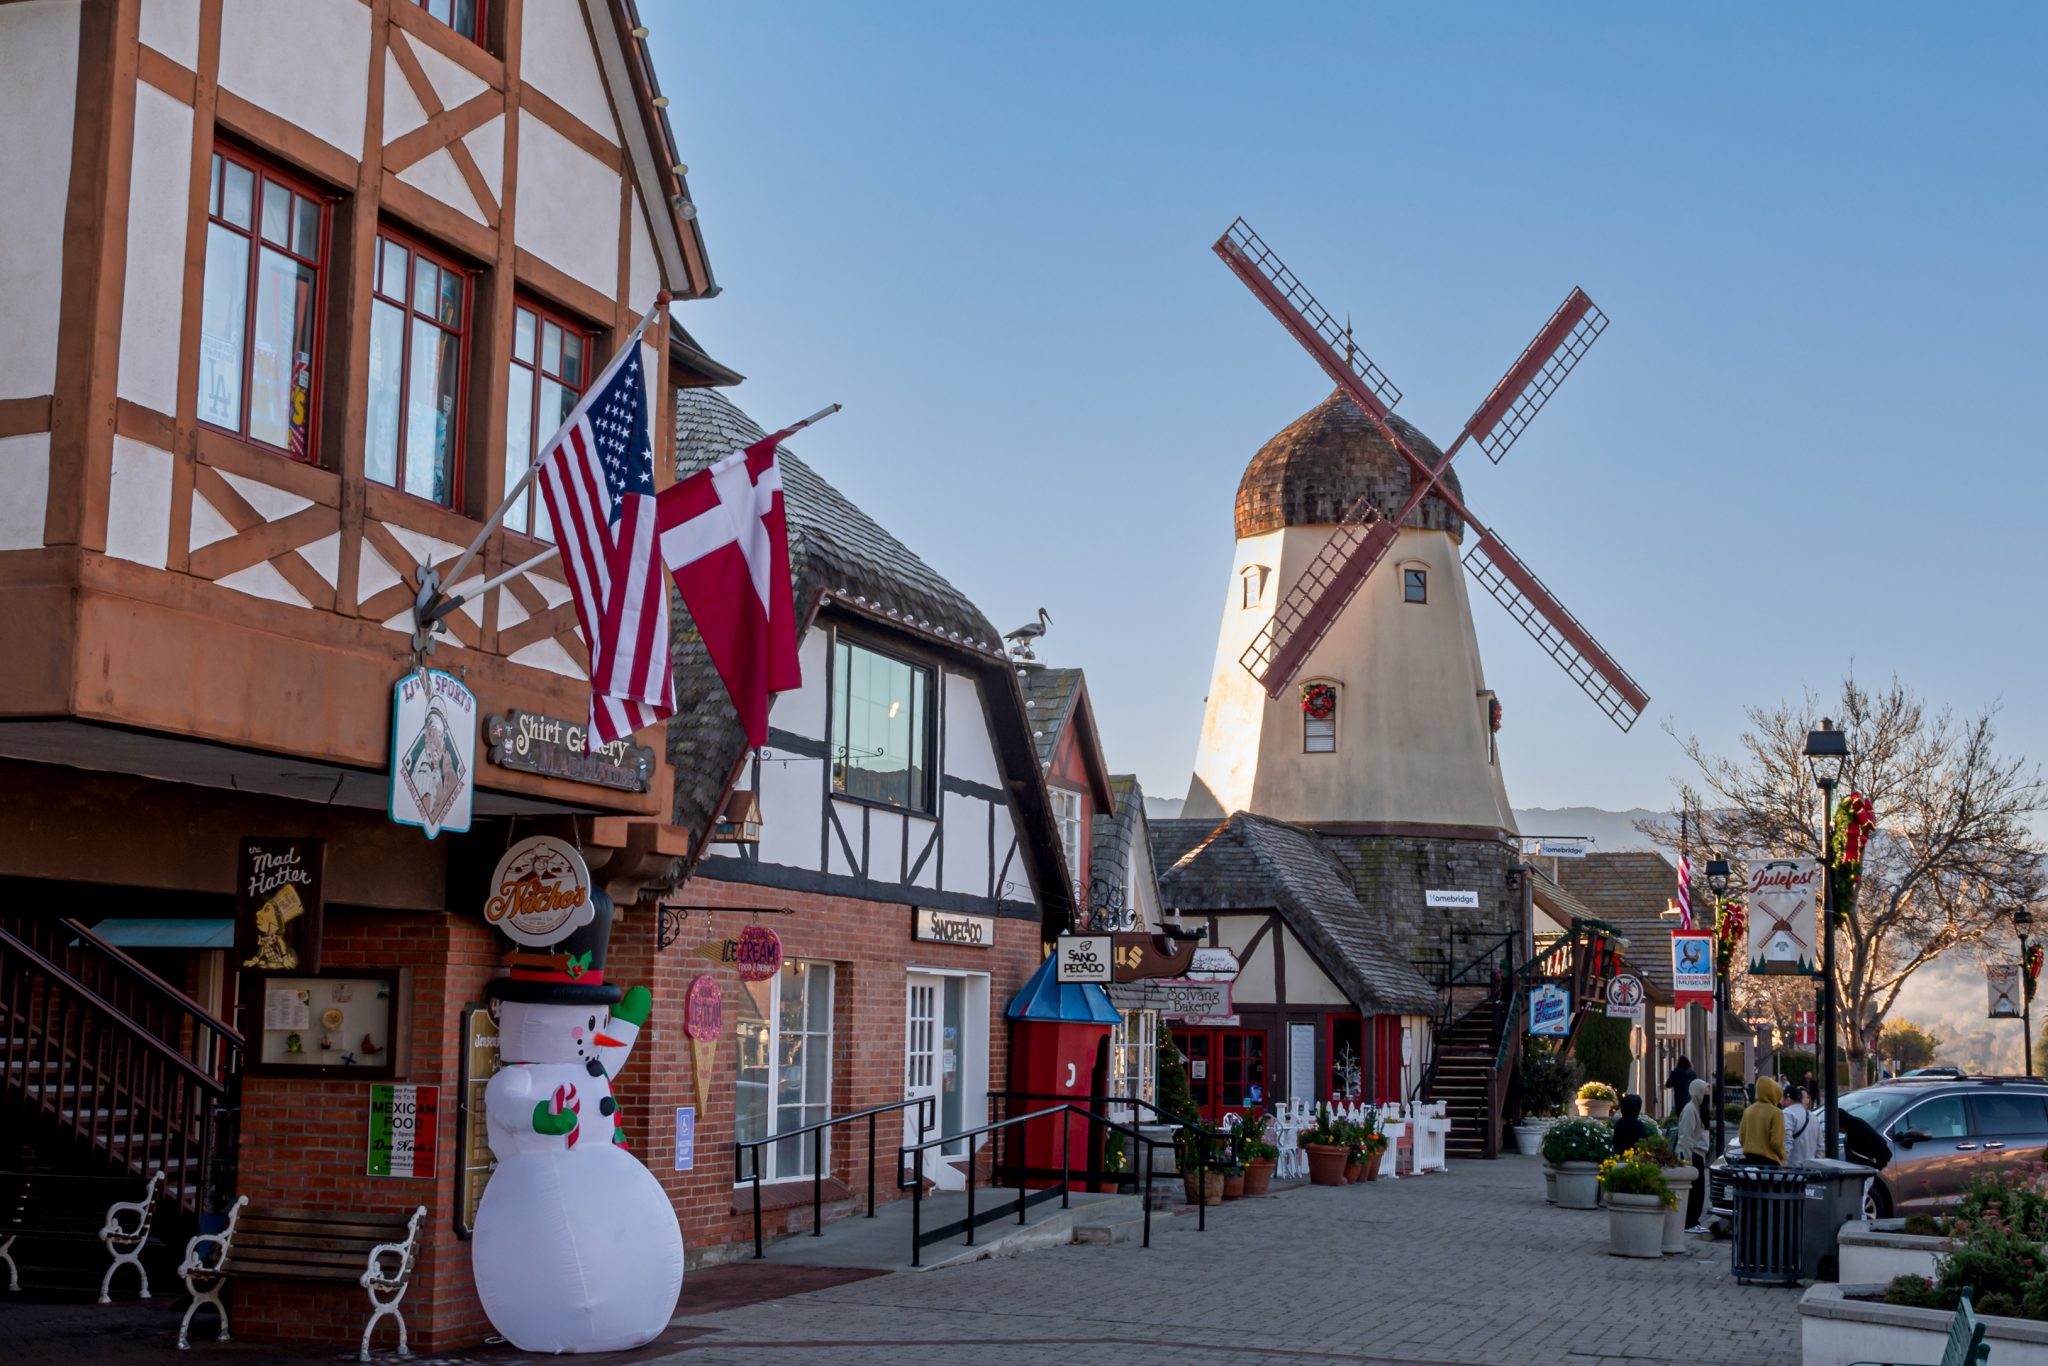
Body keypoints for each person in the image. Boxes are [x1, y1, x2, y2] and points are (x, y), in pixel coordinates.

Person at [1675, 1076, 1713, 1233]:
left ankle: (1693, 1220)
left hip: (1699, 1154)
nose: (1707, 1096)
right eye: (1705, 1093)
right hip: (1693, 1154)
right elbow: (1686, 1136)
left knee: (1699, 1191)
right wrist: (1687, 1160)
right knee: (1694, 1191)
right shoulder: (1690, 1110)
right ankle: (1689, 1222)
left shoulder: (1700, 1109)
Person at [1739, 1076, 1786, 1165]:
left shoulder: (1748, 1111)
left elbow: (1741, 1139)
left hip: (1749, 1160)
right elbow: (1776, 1143)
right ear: (1774, 1093)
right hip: (1769, 1163)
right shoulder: (1776, 1113)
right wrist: (1782, 1155)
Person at [1782, 1085, 1815, 1165]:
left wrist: (1784, 1163)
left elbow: (1786, 1141)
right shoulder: (1813, 1117)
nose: (1781, 1101)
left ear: (1788, 1099)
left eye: (1783, 1098)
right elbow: (1820, 1146)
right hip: (1812, 1168)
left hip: (1792, 1168)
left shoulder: (1786, 1113)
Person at [1665, 1056, 1698, 1123]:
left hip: (1679, 1102)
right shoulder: (1692, 1074)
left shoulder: (1675, 1073)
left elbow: (1668, 1084)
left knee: (1681, 1120)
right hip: (1690, 1101)